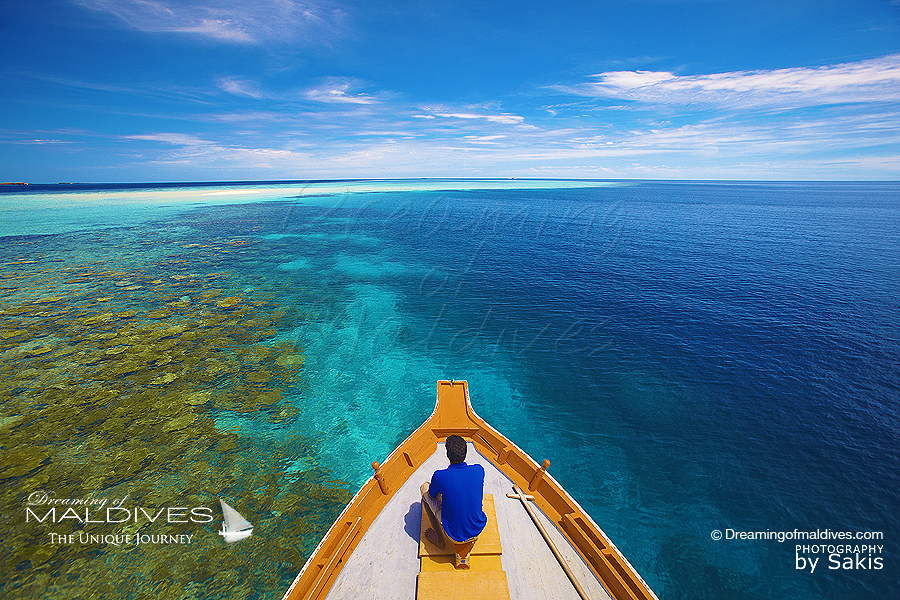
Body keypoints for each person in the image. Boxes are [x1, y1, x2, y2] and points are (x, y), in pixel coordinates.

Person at [420, 434, 487, 548]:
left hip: (453, 535)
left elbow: (431, 495)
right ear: (465, 453)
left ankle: (439, 540)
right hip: (477, 529)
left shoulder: (439, 476)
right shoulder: (479, 470)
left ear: (447, 455)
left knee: (424, 488)